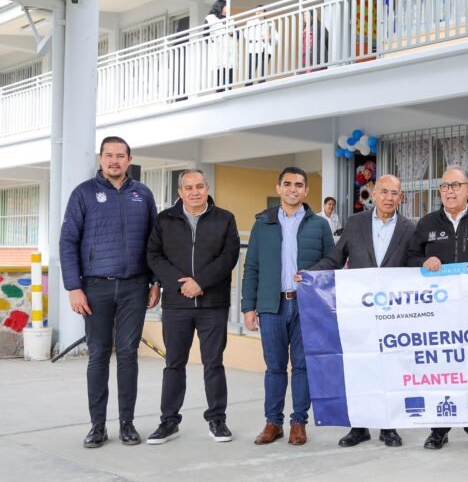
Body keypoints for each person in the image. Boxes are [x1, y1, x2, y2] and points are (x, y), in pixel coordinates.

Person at [59, 136, 160, 448]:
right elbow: (68, 241)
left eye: (120, 156)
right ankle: (97, 426)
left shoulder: (143, 194)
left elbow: (155, 242)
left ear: (129, 160)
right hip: (95, 287)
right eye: (108, 155)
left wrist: (155, 281)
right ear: (101, 159)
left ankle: (127, 423)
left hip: (134, 287)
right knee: (99, 354)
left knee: (128, 354)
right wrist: (74, 287)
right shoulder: (83, 193)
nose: (114, 161)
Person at [305, 175, 415, 448]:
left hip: (393, 313)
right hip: (359, 311)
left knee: (389, 369)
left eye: (395, 193)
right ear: (373, 195)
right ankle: (359, 427)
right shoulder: (355, 224)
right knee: (360, 368)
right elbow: (335, 258)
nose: (389, 198)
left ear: (401, 198)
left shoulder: (409, 228)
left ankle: (388, 427)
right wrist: (310, 275)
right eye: (384, 192)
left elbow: (416, 266)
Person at [408, 165, 468, 451]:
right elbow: (410, 258)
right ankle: (439, 428)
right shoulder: (426, 224)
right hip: (439, 313)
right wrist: (424, 262)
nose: (450, 191)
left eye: (456, 185)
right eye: (445, 186)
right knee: (441, 370)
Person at [145, 170, 241, 444]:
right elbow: (154, 255)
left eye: (199, 186)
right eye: (189, 188)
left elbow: (229, 256)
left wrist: (201, 282)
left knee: (214, 363)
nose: (195, 192)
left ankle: (217, 420)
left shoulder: (225, 218)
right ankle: (169, 421)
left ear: (207, 188)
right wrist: (180, 285)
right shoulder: (164, 220)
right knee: (174, 364)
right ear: (180, 192)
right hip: (177, 304)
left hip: (213, 303)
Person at [242, 167, 335, 446]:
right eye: (287, 184)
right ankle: (273, 422)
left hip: (307, 306)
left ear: (306, 190)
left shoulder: (319, 225)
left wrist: (312, 275)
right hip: (272, 306)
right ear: (279, 188)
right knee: (274, 367)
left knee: (303, 367)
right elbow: (251, 267)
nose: (293, 189)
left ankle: (298, 423)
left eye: (298, 185)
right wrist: (248, 307)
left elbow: (331, 264)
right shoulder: (263, 224)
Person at [204, 0, 235, 92]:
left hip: (230, 50)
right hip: (218, 49)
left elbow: (237, 33)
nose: (228, 9)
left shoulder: (230, 19)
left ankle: (228, 92)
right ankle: (220, 92)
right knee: (220, 73)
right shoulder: (210, 18)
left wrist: (232, 34)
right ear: (220, 6)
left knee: (230, 72)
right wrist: (213, 42)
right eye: (226, 7)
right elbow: (205, 35)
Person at [244, 5, 278, 86]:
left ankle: (262, 86)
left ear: (264, 12)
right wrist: (261, 37)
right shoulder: (250, 22)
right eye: (257, 11)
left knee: (262, 72)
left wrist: (270, 38)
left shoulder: (270, 23)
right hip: (254, 49)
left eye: (260, 11)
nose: (258, 12)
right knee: (251, 71)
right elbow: (246, 35)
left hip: (265, 50)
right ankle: (248, 87)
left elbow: (277, 38)